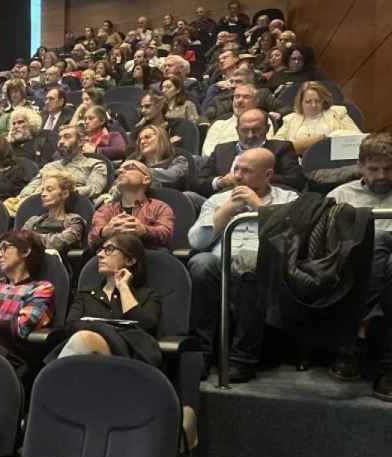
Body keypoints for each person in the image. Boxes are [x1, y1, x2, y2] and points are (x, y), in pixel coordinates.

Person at [188, 148, 299, 383]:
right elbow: (197, 241)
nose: (238, 176)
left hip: (267, 270)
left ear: (268, 175)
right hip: (222, 266)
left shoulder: (289, 199)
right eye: (236, 169)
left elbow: (292, 238)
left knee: (251, 266)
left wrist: (259, 206)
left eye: (246, 171)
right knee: (200, 263)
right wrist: (227, 210)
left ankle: (241, 359)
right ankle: (202, 354)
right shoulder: (217, 200)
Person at [327, 133, 392, 397]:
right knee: (374, 242)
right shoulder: (341, 194)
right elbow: (326, 237)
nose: (381, 175)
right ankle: (386, 364)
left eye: (388, 169)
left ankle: (357, 340)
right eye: (374, 168)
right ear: (360, 166)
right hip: (353, 267)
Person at [54, 233, 162, 366]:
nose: (100, 255)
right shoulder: (86, 294)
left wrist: (123, 287)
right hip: (87, 359)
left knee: (84, 338)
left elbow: (145, 327)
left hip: (129, 363)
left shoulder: (147, 295)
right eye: (100, 250)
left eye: (109, 249)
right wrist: (107, 330)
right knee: (82, 339)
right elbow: (70, 326)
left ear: (130, 260)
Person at [197, 109, 305, 199]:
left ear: (267, 128)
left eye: (256, 130)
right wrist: (221, 182)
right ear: (237, 130)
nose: (250, 135)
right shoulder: (221, 149)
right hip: (221, 200)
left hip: (266, 201)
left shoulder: (282, 148)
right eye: (245, 130)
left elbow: (296, 180)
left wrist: (258, 178)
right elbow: (199, 182)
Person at [15, 124, 108, 207]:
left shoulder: (95, 164)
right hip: (40, 208)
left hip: (73, 208)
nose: (61, 142)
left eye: (67, 137)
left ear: (80, 142)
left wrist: (60, 193)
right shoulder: (49, 167)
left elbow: (94, 189)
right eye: (60, 138)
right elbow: (27, 190)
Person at [89, 160, 175, 249]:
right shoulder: (105, 209)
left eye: (129, 168)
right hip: (113, 256)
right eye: (119, 170)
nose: (120, 171)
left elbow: (167, 235)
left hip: (149, 256)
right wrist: (104, 232)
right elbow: (91, 239)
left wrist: (144, 230)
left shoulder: (160, 207)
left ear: (146, 179)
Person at [275, 81, 361, 156]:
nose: (314, 105)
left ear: (324, 101)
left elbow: (358, 138)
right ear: (300, 102)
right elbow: (276, 144)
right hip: (299, 163)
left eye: (318, 101)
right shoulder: (290, 119)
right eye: (308, 101)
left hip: (333, 161)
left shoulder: (338, 113)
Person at [20, 169, 87, 253]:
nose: (43, 194)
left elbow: (60, 242)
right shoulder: (33, 220)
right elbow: (19, 242)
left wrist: (33, 237)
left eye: (49, 190)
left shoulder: (74, 220)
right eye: (42, 190)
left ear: (65, 194)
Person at [202, 84, 275, 157]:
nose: (239, 101)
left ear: (256, 101)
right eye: (237, 97)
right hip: (222, 164)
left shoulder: (263, 122)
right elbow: (208, 152)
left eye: (246, 97)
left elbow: (265, 148)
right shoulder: (219, 124)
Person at [131, 124, 190, 191]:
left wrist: (140, 172)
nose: (142, 142)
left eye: (147, 137)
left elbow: (171, 176)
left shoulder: (180, 160)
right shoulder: (135, 163)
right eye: (139, 140)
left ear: (161, 138)